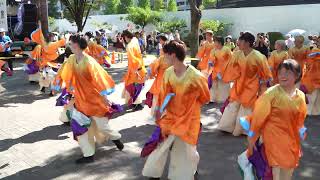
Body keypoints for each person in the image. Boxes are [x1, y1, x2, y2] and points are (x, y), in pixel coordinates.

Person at [142, 40, 210, 180]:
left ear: (173, 55)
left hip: (189, 119)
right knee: (160, 146)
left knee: (187, 151)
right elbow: (163, 95)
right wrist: (159, 111)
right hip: (171, 117)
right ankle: (153, 174)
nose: (163, 57)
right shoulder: (168, 73)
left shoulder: (196, 76)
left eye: (165, 54)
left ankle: (188, 173)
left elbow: (205, 98)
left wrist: (189, 101)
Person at [53, 34, 124, 164]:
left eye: (71, 43)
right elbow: (64, 71)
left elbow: (99, 79)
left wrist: (105, 97)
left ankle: (116, 138)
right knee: (80, 128)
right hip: (80, 100)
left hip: (94, 100)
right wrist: (59, 84)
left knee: (103, 127)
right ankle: (88, 154)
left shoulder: (89, 61)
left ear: (78, 45)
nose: (69, 44)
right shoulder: (71, 59)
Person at [244, 59, 307, 180]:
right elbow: (258, 117)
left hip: (291, 139)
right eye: (280, 72)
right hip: (273, 137)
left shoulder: (301, 96)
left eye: (287, 72)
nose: (282, 76)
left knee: (288, 170)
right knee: (275, 171)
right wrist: (252, 137)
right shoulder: (270, 94)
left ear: (297, 75)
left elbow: (300, 118)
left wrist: (301, 130)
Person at [218, 32, 272, 136]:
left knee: (246, 106)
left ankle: (243, 129)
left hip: (251, 85)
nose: (238, 43)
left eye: (241, 41)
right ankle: (227, 126)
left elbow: (266, 74)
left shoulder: (259, 57)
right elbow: (231, 67)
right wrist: (226, 75)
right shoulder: (237, 54)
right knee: (233, 104)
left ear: (247, 43)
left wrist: (262, 86)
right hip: (239, 83)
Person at [29, 23, 66, 95]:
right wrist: (65, 37)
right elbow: (63, 42)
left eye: (54, 36)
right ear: (50, 37)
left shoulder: (42, 45)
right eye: (52, 36)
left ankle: (44, 88)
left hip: (46, 64)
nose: (54, 37)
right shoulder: (52, 45)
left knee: (46, 77)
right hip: (51, 64)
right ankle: (52, 91)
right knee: (53, 78)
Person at [122, 30, 147, 111]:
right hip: (139, 67)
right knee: (136, 86)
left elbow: (132, 59)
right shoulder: (135, 40)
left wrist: (134, 70)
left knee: (133, 86)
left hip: (134, 69)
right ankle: (135, 103)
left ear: (126, 37)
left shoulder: (129, 46)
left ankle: (136, 103)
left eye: (124, 37)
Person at [145, 34, 170, 116]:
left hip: (160, 82)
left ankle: (159, 116)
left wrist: (149, 75)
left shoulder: (161, 59)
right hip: (170, 82)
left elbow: (151, 69)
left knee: (157, 100)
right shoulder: (174, 59)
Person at [208, 36, 232, 103]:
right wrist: (211, 62)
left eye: (216, 42)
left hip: (225, 69)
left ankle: (224, 99)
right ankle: (212, 98)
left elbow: (231, 59)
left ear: (220, 42)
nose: (215, 43)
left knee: (223, 85)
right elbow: (211, 58)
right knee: (214, 84)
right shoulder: (213, 50)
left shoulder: (226, 49)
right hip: (216, 69)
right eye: (215, 42)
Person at [301, 39, 320, 115]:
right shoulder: (315, 50)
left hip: (314, 78)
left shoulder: (315, 51)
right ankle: (312, 111)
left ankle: (314, 112)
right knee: (314, 96)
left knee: (315, 96)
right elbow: (310, 62)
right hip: (313, 77)